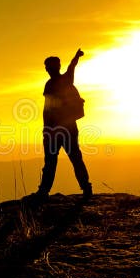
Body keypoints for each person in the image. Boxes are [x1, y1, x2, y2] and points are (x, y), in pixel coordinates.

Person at [34, 48, 92, 200]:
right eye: (47, 67)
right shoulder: (58, 82)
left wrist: (76, 56)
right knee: (70, 159)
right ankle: (85, 188)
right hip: (64, 129)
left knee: (57, 160)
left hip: (60, 129)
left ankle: (45, 191)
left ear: (54, 67)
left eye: (49, 66)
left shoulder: (58, 81)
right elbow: (47, 109)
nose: (47, 69)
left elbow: (47, 109)